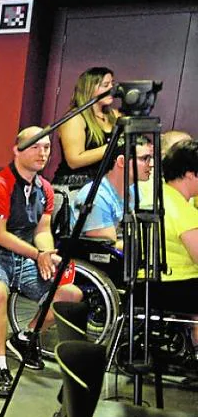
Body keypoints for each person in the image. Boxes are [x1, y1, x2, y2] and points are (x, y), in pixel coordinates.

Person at [0, 127, 83, 396]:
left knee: (70, 295)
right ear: (17, 149)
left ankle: (25, 337)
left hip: (23, 256)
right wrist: (37, 255)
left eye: (47, 147)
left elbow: (42, 229)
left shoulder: (46, 189)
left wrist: (47, 255)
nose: (42, 152)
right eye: (35, 146)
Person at [71, 135, 153, 247]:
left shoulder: (134, 191)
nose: (151, 164)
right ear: (121, 162)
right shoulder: (97, 197)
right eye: (144, 158)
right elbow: (107, 248)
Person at [155, 140, 198, 343]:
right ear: (190, 174)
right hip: (175, 286)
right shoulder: (182, 211)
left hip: (149, 282)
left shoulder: (156, 196)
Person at [54, 67, 121, 190]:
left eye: (112, 84)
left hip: (103, 185)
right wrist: (113, 146)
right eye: (105, 85)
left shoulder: (114, 115)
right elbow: (74, 160)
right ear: (89, 89)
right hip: (75, 186)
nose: (111, 89)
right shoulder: (75, 118)